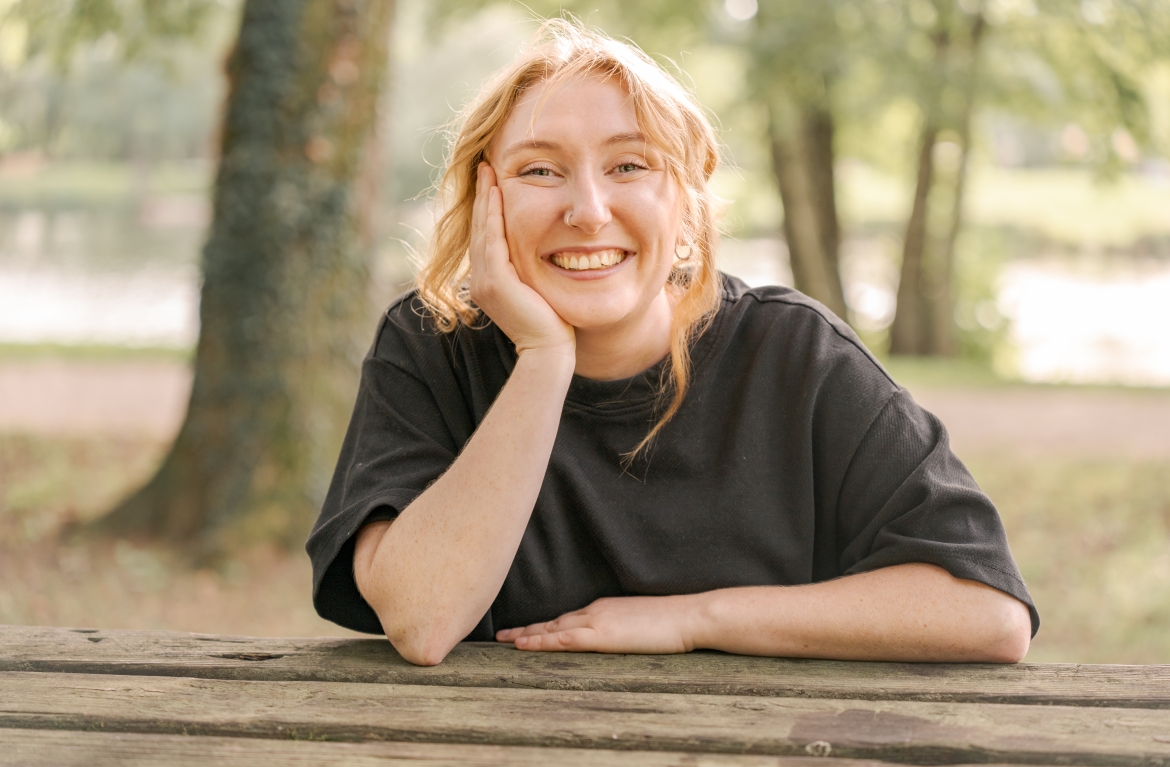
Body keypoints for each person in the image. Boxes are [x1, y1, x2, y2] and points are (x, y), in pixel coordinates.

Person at [306, 20, 1037, 667]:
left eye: (629, 165)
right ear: (484, 202)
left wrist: (695, 619)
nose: (589, 211)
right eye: (540, 170)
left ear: (685, 203)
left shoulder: (794, 355)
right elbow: (423, 621)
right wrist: (544, 359)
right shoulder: (429, 343)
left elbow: (987, 611)